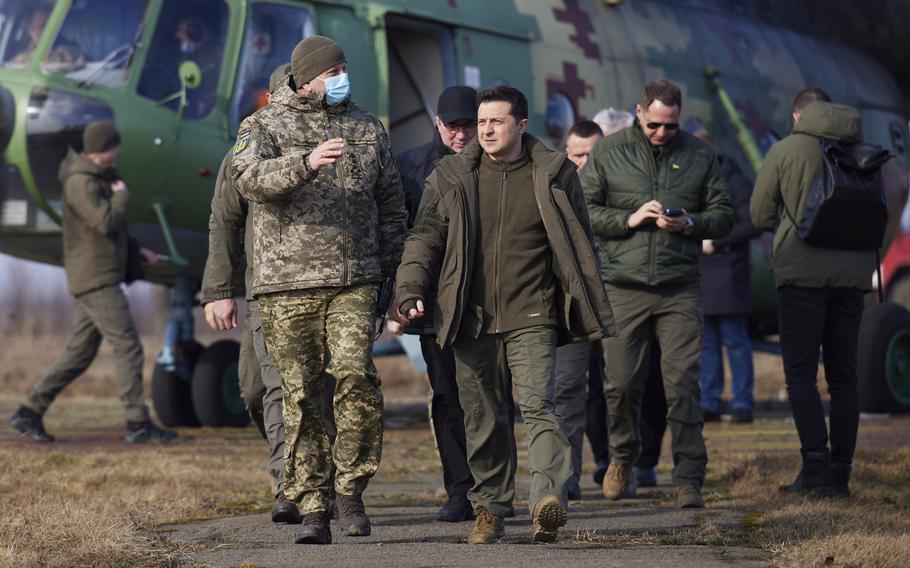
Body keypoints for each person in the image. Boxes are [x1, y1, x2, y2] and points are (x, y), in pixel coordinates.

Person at [396, 86, 615, 544]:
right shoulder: (451, 175)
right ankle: (490, 509)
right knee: (483, 418)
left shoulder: (552, 172)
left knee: (539, 408)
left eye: (497, 121)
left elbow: (579, 238)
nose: (486, 130)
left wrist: (581, 300)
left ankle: (546, 502)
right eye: (482, 122)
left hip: (533, 312)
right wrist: (410, 288)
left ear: (522, 124)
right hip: (470, 317)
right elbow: (424, 238)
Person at [232, 35, 407, 545]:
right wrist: (304, 164)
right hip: (287, 286)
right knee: (302, 394)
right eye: (333, 71)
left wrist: (394, 278)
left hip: (355, 281)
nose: (340, 78)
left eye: (344, 69)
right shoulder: (262, 125)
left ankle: (350, 489)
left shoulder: (367, 128)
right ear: (306, 76)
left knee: (356, 376)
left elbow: (391, 206)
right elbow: (245, 178)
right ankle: (312, 506)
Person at [582, 79, 733, 509]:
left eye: (670, 126)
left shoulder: (699, 154)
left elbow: (724, 214)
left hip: (678, 288)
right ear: (638, 111)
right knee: (622, 384)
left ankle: (688, 477)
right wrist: (628, 219)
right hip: (624, 286)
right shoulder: (608, 153)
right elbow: (584, 209)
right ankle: (622, 460)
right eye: (653, 125)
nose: (661, 133)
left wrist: (690, 223)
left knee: (682, 383)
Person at [9, 122, 175, 444]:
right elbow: (104, 221)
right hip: (96, 280)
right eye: (115, 147)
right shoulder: (81, 183)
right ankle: (137, 424)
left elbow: (107, 232)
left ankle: (29, 412)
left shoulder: (96, 179)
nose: (119, 152)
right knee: (128, 346)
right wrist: (123, 196)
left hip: (97, 276)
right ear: (104, 149)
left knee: (79, 354)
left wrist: (136, 251)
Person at [750, 88, 874, 497]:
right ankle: (841, 474)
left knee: (801, 375)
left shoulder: (787, 150)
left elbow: (759, 214)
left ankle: (814, 467)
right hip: (853, 277)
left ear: (798, 115)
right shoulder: (860, 149)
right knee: (845, 377)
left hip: (801, 276)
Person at [201, 64, 310, 525]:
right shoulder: (247, 150)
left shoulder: (339, 143)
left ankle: (294, 480)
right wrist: (220, 290)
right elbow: (224, 221)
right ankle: (292, 465)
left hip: (324, 292)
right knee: (254, 387)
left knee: (309, 390)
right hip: (264, 290)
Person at [391, 85, 480, 522]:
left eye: (470, 126)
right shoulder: (409, 168)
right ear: (438, 124)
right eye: (454, 126)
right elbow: (401, 239)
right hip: (434, 309)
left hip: (485, 303)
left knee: (487, 398)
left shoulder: (497, 164)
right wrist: (400, 296)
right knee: (448, 397)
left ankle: (491, 489)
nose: (461, 135)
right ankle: (460, 491)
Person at [693, 128, 761, 424]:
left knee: (735, 341)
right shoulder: (691, 181)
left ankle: (742, 402)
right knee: (706, 343)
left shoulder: (734, 180)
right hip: (702, 274)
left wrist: (717, 240)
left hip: (729, 273)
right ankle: (709, 401)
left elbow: (753, 222)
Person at [555, 119, 603, 500]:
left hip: (620, 295)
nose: (584, 163)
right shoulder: (557, 185)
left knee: (619, 388)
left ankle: (618, 463)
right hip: (575, 300)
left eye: (593, 154)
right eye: (578, 155)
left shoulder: (624, 181)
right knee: (568, 388)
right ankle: (567, 474)